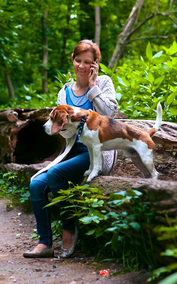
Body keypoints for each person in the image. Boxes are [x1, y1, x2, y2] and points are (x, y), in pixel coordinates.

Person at [23, 39, 118, 258]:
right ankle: (45, 243)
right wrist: (64, 125)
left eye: (87, 62)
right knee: (37, 184)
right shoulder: (64, 92)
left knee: (56, 173)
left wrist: (93, 89)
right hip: (73, 151)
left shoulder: (103, 83)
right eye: (78, 60)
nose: (82, 66)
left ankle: (68, 228)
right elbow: (64, 134)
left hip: (96, 152)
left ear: (95, 64)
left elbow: (110, 115)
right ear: (72, 61)